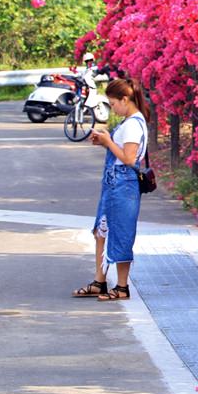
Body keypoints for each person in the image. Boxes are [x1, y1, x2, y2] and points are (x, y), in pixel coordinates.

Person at [73, 78, 149, 301]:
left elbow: (129, 158)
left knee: (121, 233)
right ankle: (100, 281)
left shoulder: (134, 124)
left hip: (123, 183)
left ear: (125, 100)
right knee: (101, 231)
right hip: (113, 182)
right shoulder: (129, 121)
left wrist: (108, 142)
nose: (112, 108)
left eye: (113, 103)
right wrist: (104, 141)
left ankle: (122, 287)